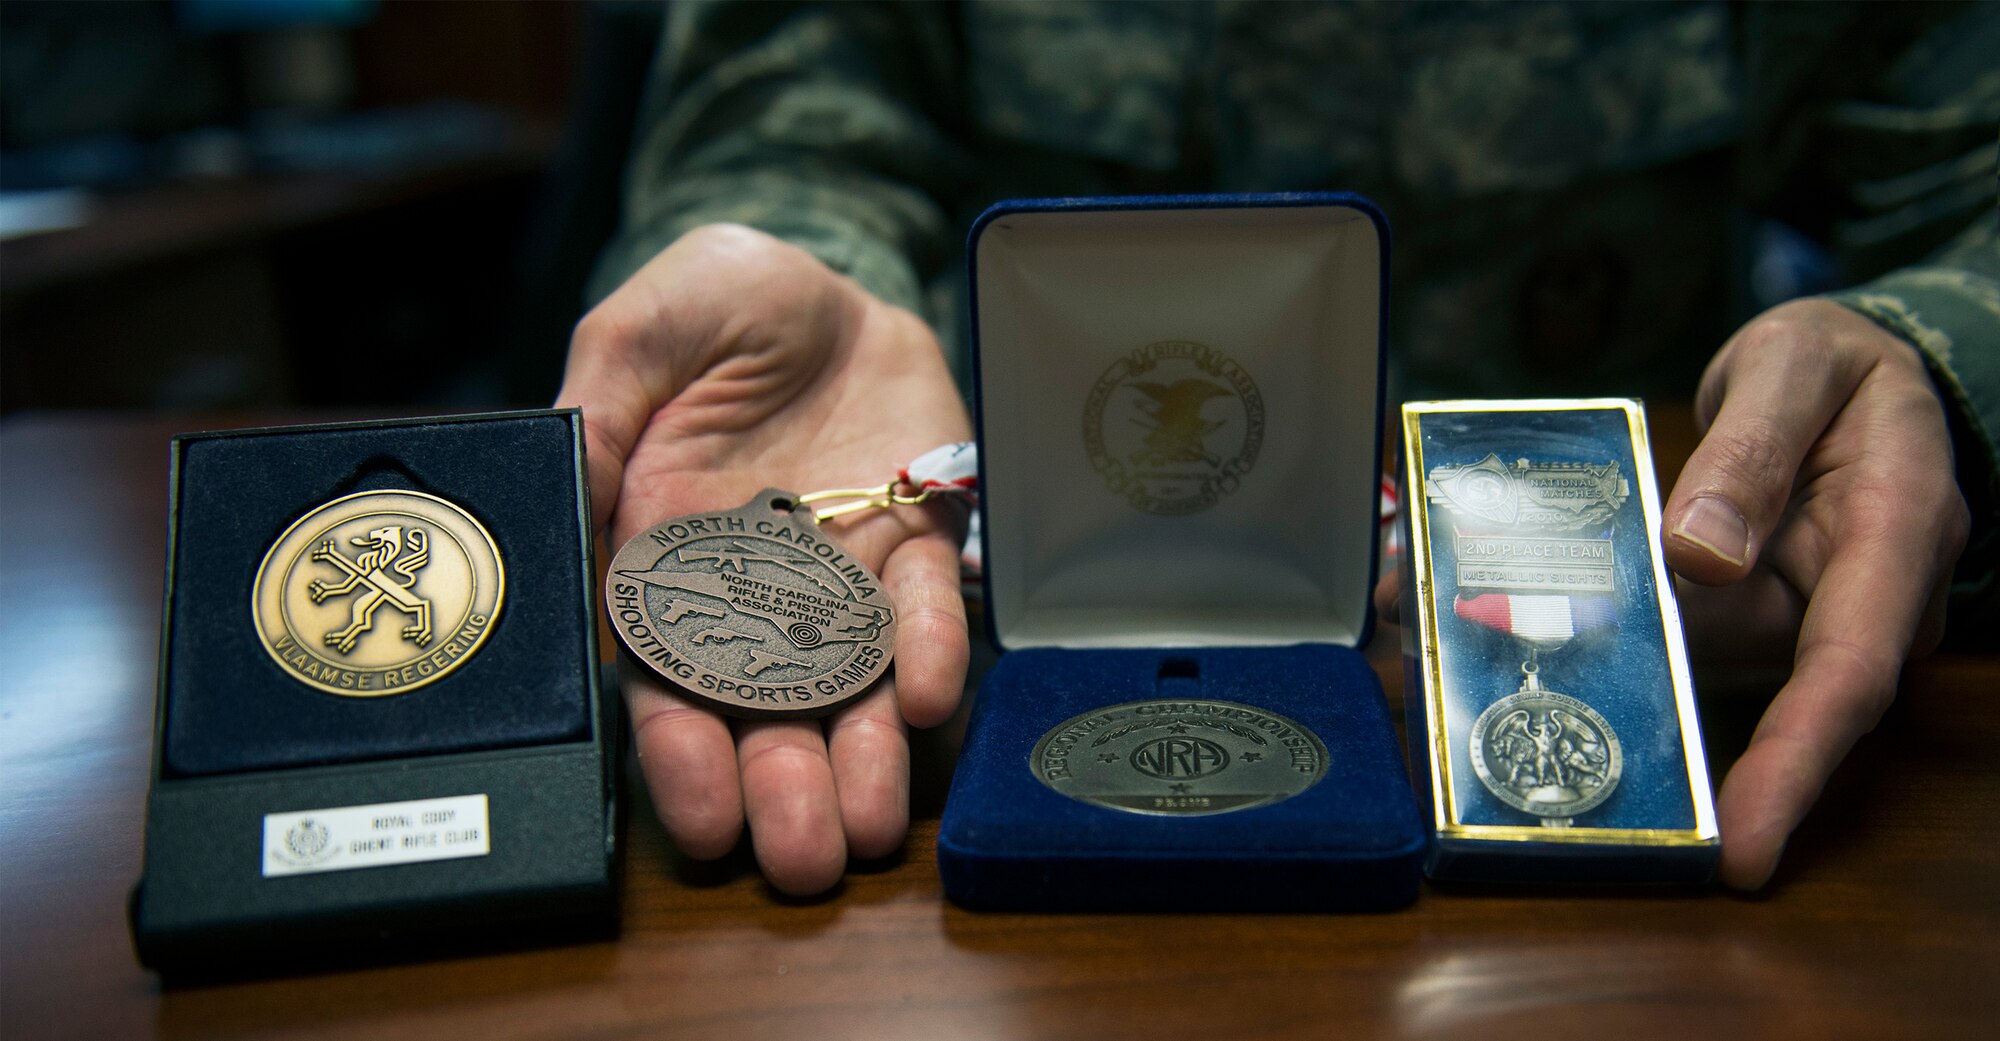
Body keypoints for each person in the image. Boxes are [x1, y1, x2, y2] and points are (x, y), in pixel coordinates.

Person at [557, 1, 1997, 896]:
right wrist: (808, 271)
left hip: (1647, 625)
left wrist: (1934, 349)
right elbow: (793, 119)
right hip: (994, 633)